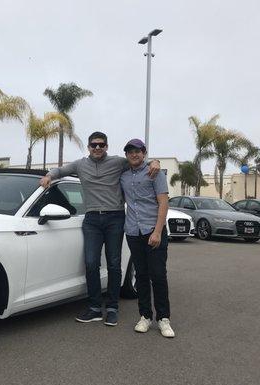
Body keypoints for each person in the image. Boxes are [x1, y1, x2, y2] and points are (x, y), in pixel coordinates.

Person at [40, 131, 160, 326]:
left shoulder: (117, 162)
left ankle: (112, 308)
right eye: (94, 145)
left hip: (115, 218)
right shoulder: (80, 165)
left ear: (106, 147)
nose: (97, 148)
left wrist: (155, 162)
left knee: (114, 264)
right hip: (92, 220)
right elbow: (60, 171)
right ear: (88, 147)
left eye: (101, 145)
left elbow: (138, 160)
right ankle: (95, 307)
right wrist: (48, 176)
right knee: (90, 263)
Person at [120, 138, 175, 338]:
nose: (134, 154)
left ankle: (163, 319)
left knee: (158, 275)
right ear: (126, 155)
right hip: (133, 232)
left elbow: (163, 203)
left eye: (138, 151)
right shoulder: (123, 175)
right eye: (130, 151)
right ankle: (145, 316)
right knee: (141, 276)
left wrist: (158, 231)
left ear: (144, 153)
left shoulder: (154, 172)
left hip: (154, 230)